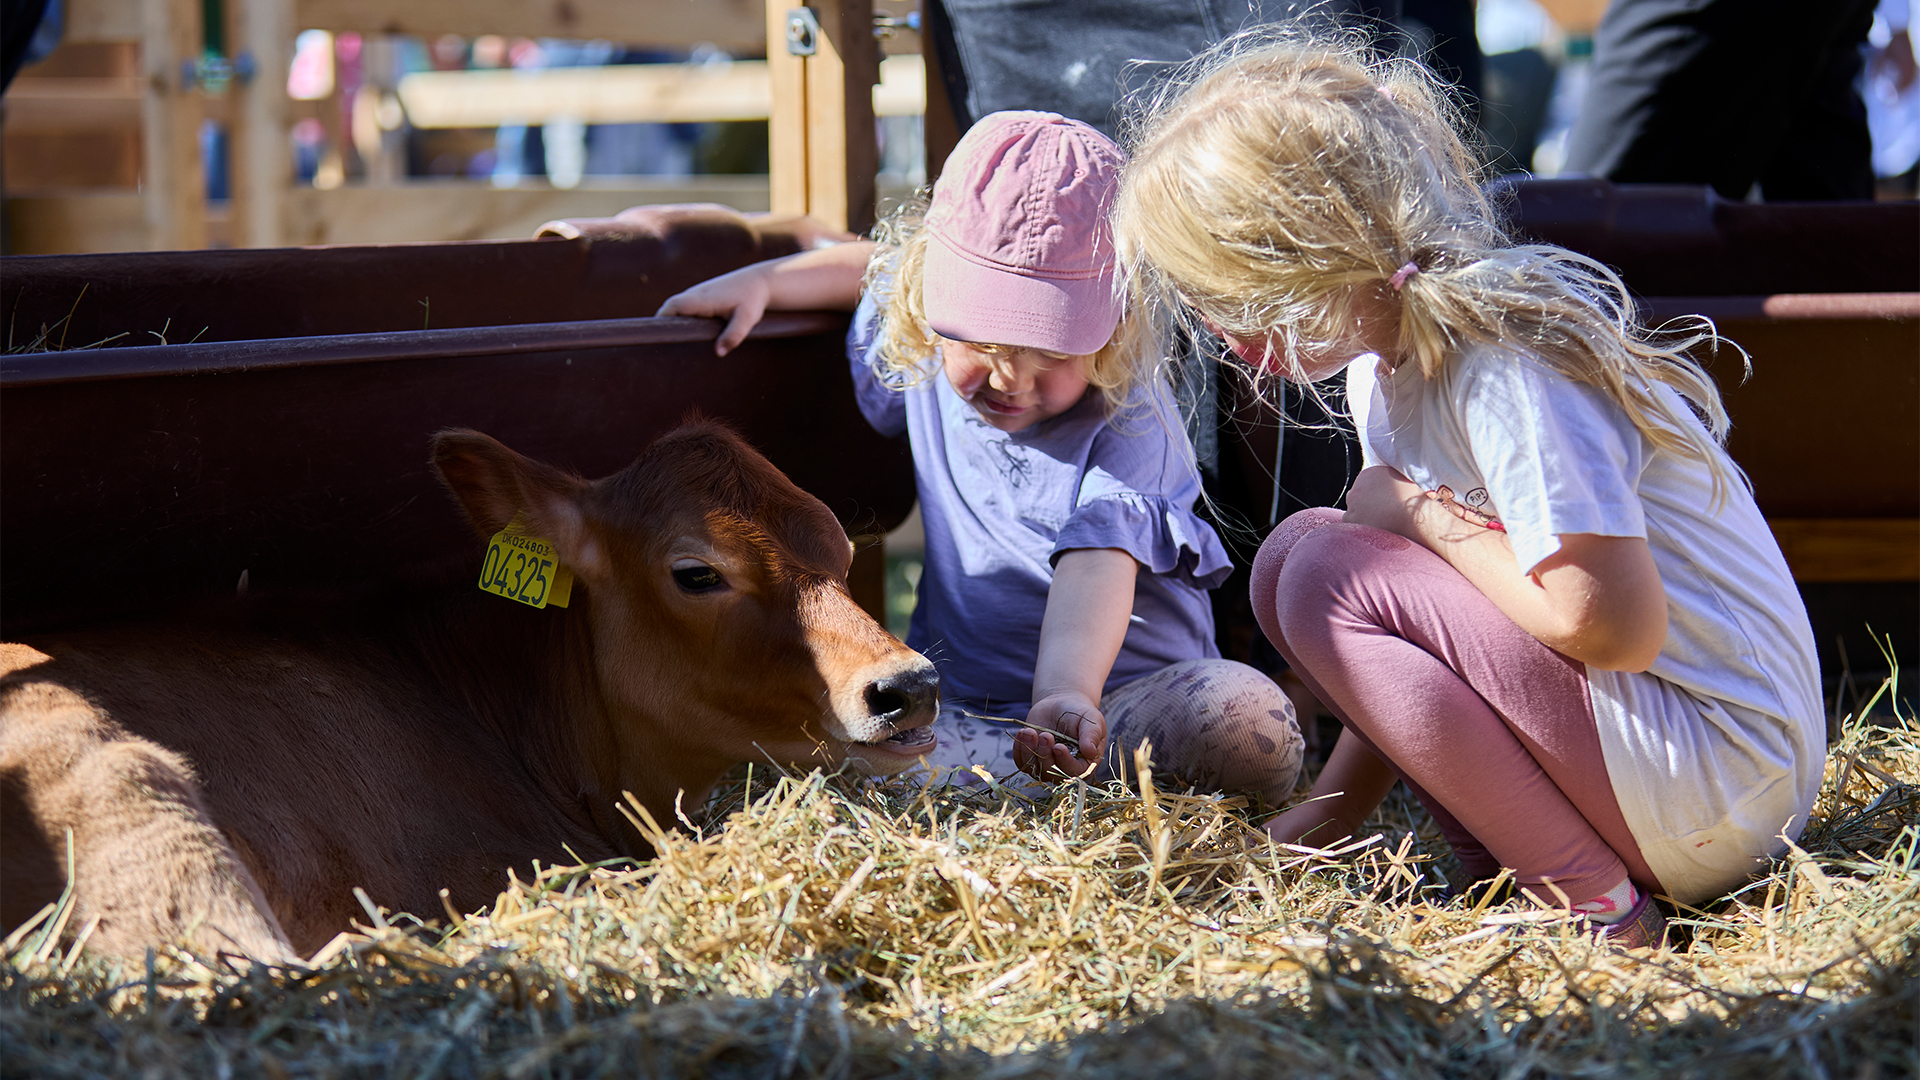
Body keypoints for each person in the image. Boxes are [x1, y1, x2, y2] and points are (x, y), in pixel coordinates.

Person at [1111, 36, 1826, 946]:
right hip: (1671, 779)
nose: (1215, 326)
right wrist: (1328, 815)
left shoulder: (1502, 360)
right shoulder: (1387, 372)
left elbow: (1611, 626)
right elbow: (1419, 651)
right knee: (1296, 562)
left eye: (1221, 289)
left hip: (1723, 781)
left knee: (1322, 564)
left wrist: (1421, 516)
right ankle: (1515, 870)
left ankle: (1598, 911)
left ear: (1300, 250)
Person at [658, 111, 1304, 804]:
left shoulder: (1132, 418)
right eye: (979, 345)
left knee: (1245, 718)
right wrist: (769, 282)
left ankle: (1065, 792)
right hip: (963, 714)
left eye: (1052, 353)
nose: (1009, 381)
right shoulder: (923, 344)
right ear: (929, 301)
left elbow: (1097, 567)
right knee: (814, 749)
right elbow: (875, 268)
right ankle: (1004, 794)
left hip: (1117, 719)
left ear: (1117, 324)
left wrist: (1065, 694)